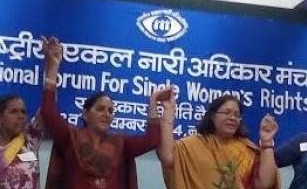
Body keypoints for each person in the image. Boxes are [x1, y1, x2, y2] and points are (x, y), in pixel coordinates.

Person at [40, 37, 167, 189]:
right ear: (86, 114)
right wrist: (53, 66)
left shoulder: (120, 144)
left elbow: (152, 140)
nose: (107, 114)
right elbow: (48, 112)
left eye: (111, 111)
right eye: (100, 109)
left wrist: (153, 102)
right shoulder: (70, 138)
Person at [157, 94, 280, 189]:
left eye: (237, 115)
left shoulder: (246, 149)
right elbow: (168, 157)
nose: (232, 118)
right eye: (226, 112)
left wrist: (267, 142)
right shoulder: (193, 145)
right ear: (212, 116)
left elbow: (264, 184)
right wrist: (167, 116)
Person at [0, 95, 42, 189]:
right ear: (1, 117)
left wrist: (50, 83)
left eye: (23, 112)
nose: (20, 116)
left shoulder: (30, 137)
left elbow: (47, 110)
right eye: (14, 111)